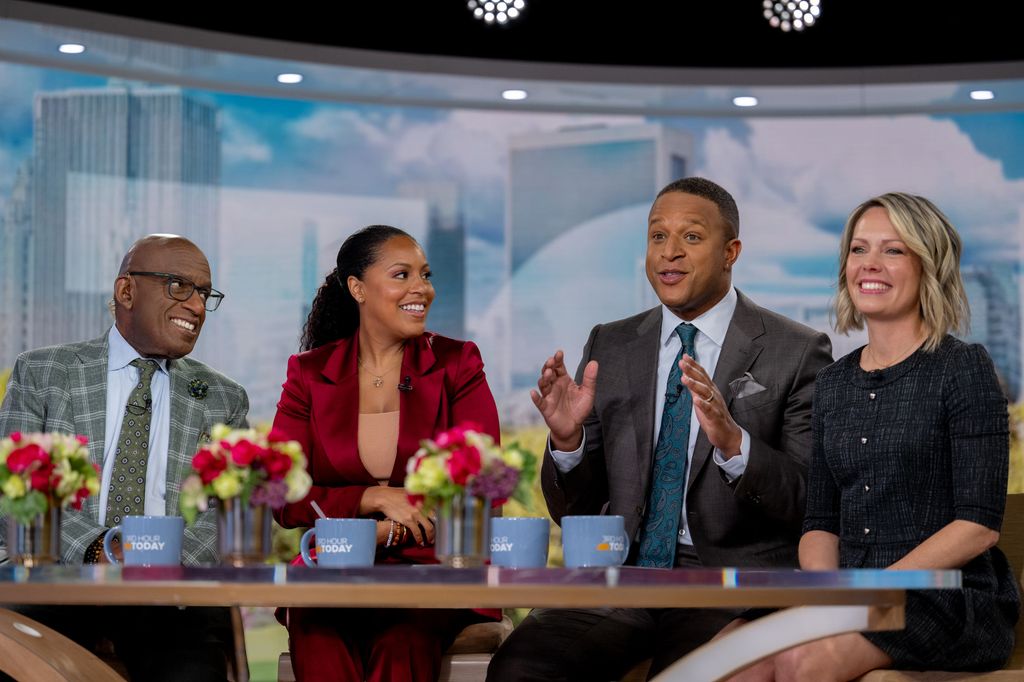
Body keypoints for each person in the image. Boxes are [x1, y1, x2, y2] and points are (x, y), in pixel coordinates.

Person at [487, 177, 834, 681]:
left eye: (691, 237)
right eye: (657, 237)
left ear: (730, 251)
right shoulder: (613, 343)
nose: (669, 253)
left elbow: (809, 501)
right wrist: (568, 443)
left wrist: (735, 444)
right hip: (622, 581)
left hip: (730, 587)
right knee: (520, 669)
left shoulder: (796, 349)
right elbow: (576, 511)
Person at [731, 192, 1021, 681]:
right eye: (859, 249)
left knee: (800, 663)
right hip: (848, 591)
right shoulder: (834, 382)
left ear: (929, 266)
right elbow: (820, 520)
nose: (871, 264)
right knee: (732, 655)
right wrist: (829, 593)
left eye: (893, 250)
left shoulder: (963, 367)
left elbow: (978, 525)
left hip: (944, 597)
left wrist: (872, 591)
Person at [0, 233, 249, 681]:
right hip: (55, 583)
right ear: (127, 291)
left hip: (170, 598)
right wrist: (102, 549)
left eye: (204, 294)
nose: (195, 305)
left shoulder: (223, 398)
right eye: (179, 286)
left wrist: (157, 563)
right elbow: (11, 489)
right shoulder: (44, 372)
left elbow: (226, 516)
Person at [272, 224, 501, 682]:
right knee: (318, 627)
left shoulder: (458, 363)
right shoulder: (309, 374)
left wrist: (385, 535)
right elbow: (282, 496)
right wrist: (368, 499)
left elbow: (485, 487)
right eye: (402, 275)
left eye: (426, 275)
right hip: (332, 570)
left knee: (402, 638)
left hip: (432, 568)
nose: (423, 289)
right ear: (357, 288)